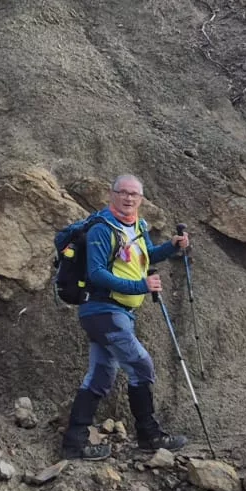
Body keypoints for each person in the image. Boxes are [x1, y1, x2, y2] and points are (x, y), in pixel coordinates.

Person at [60, 176, 190, 458]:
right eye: (123, 193)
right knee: (141, 365)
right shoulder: (102, 229)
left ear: (141, 199)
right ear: (112, 195)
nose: (129, 199)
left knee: (101, 377)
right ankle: (149, 435)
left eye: (135, 195)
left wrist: (171, 247)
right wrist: (140, 287)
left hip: (119, 314)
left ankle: (74, 443)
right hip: (102, 311)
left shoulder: (138, 226)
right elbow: (97, 273)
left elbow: (145, 257)